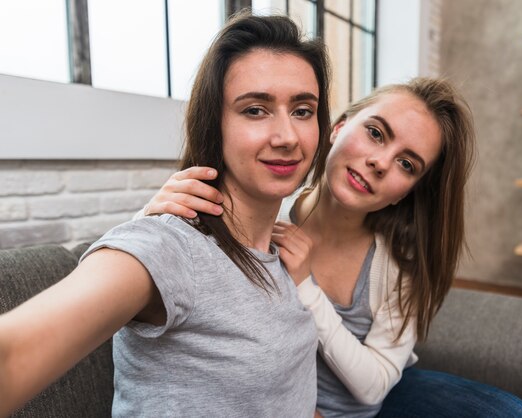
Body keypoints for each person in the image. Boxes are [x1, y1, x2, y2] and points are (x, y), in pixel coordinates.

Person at [140, 78, 522, 418]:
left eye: (407, 164)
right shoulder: (265, 216)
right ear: (338, 127)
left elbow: (374, 388)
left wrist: (305, 287)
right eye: (376, 133)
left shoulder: (399, 261)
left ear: (408, 192)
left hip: (381, 398)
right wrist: (153, 215)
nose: (381, 162)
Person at [0, 12, 333, 417]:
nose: (287, 137)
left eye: (302, 110)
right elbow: (11, 354)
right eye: (255, 110)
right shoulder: (170, 247)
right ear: (216, 123)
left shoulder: (282, 256)